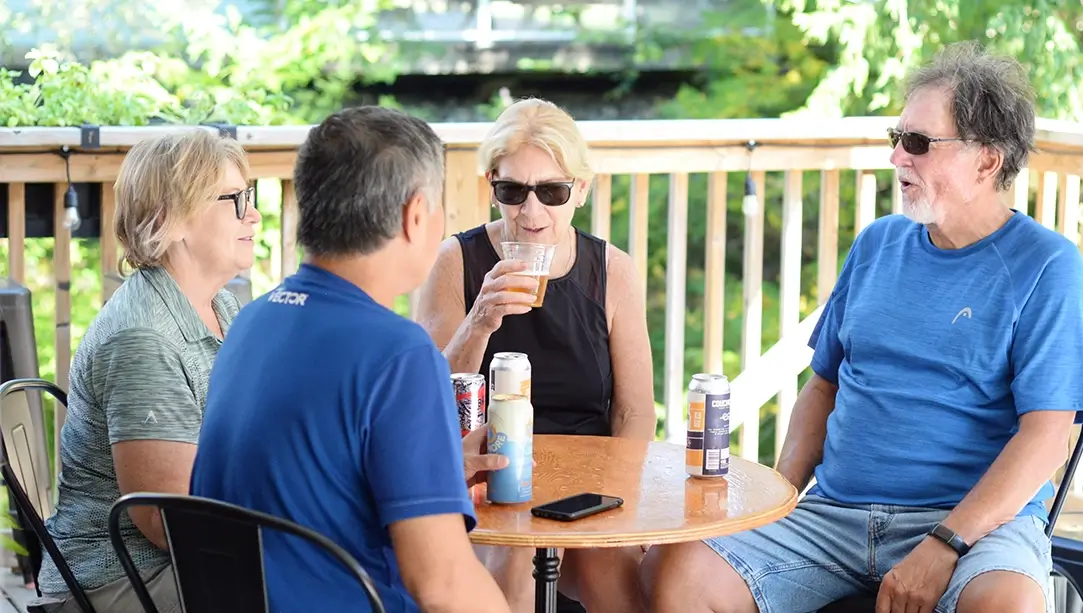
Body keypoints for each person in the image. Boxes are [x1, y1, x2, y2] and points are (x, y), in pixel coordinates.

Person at [640, 41, 1083, 613]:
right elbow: (823, 386)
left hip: (972, 526)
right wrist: (780, 498)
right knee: (674, 568)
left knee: (1008, 604)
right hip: (833, 516)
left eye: (918, 143)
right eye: (896, 138)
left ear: (987, 160)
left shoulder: (1048, 267)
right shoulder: (877, 243)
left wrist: (945, 543)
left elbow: (1046, 437)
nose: (896, 158)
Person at [189, 106, 510, 613]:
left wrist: (438, 470)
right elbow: (442, 585)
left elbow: (313, 477)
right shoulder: (398, 353)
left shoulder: (250, 322)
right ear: (417, 215)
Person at [416, 97, 655, 613]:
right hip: (487, 479)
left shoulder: (612, 271)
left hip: (590, 486)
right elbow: (421, 401)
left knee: (618, 581)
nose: (531, 212)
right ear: (492, 188)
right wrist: (479, 321)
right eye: (513, 191)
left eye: (551, 191)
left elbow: (634, 412)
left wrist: (621, 506)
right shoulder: (456, 261)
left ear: (581, 191)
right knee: (514, 572)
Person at [31, 129, 260, 613]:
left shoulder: (220, 305)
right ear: (170, 219)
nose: (254, 214)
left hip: (180, 563)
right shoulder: (145, 337)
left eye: (251, 196)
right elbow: (167, 521)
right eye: (235, 200)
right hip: (120, 579)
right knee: (337, 574)